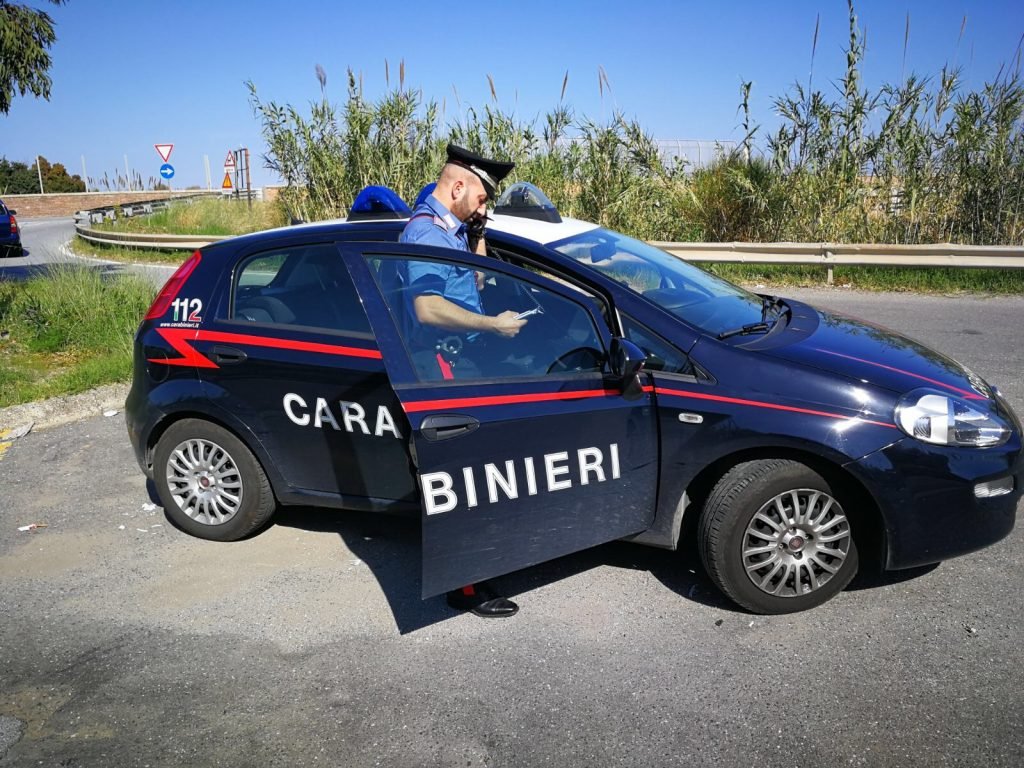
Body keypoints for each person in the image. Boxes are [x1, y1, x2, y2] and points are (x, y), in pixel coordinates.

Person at [399, 144, 521, 619]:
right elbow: (427, 309)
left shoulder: (449, 232)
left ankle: (474, 568)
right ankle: (465, 587)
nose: (484, 205)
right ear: (457, 187)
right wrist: (492, 326)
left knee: (472, 474)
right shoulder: (426, 234)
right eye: (482, 197)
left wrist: (478, 234)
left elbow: (472, 283)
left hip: (457, 366)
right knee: (461, 477)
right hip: (442, 369)